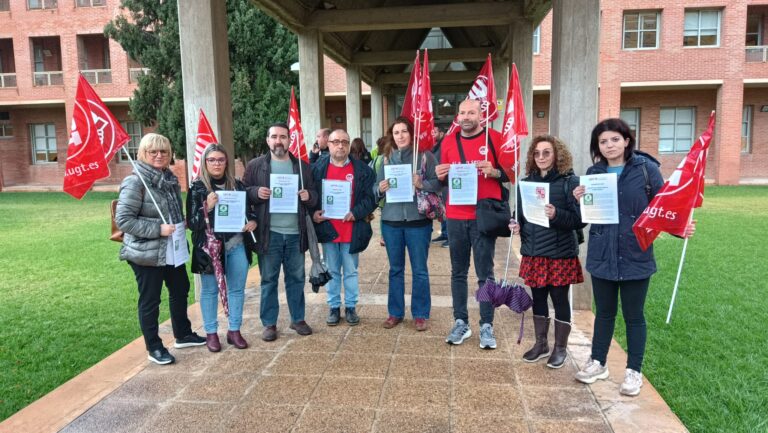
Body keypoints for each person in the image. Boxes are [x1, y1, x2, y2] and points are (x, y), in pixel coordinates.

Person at [572, 118, 696, 396]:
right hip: (602, 253)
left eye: (615, 139)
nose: (609, 145)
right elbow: (584, 220)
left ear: (627, 140)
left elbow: (664, 208)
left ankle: (633, 371)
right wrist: (579, 201)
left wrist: (681, 227)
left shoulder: (646, 170)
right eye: (603, 141)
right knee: (604, 314)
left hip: (635, 253)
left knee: (634, 316)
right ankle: (598, 362)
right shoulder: (594, 172)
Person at [115, 133, 205, 365]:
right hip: (147, 254)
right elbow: (124, 220)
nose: (158, 155)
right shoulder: (135, 182)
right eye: (152, 152)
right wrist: (158, 229)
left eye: (163, 151)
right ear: (143, 154)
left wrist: (180, 221)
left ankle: (183, 334)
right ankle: (154, 347)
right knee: (150, 300)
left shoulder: (169, 179)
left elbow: (169, 212)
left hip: (172, 251)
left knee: (180, 289)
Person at [435, 99, 509, 349]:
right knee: (457, 272)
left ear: (481, 115)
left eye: (471, 112)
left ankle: (487, 325)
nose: (466, 117)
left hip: (483, 216)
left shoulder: (495, 139)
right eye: (462, 112)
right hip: (455, 216)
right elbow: (442, 181)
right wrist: (440, 176)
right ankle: (460, 322)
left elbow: (511, 172)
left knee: (485, 274)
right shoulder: (448, 141)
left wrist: (496, 171)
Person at [509, 135, 585, 368]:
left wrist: (557, 215)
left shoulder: (570, 182)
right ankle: (541, 344)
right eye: (537, 153)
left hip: (560, 253)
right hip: (534, 251)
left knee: (560, 299)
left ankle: (560, 348)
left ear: (557, 155)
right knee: (539, 298)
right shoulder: (526, 183)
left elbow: (581, 220)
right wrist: (515, 224)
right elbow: (520, 214)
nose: (541, 157)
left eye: (546, 153)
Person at [243, 122, 318, 342]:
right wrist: (256, 192)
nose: (278, 141)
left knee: (296, 278)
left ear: (289, 140)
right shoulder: (256, 166)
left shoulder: (302, 167)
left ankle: (298, 318)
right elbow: (244, 192)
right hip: (270, 233)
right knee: (269, 279)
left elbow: (314, 194)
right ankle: (269, 323)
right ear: (267, 140)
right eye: (274, 137)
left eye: (283, 137)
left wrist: (309, 197)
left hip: (296, 232)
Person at [186, 144, 257, 352]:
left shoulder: (237, 185)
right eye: (212, 160)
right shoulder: (197, 187)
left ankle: (234, 330)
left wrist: (252, 221)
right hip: (210, 249)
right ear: (205, 163)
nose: (216, 164)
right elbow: (192, 222)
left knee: (236, 289)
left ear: (226, 162)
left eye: (220, 160)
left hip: (236, 244)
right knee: (209, 291)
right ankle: (211, 333)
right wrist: (206, 207)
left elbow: (248, 212)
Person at [375, 117, 441, 331]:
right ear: (391, 136)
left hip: (418, 222)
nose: (401, 136)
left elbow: (439, 184)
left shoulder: (424, 157)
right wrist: (380, 188)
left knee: (420, 269)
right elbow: (374, 188)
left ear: (411, 134)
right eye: (396, 132)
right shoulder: (384, 159)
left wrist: (422, 183)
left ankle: (420, 314)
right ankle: (395, 312)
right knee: (395, 269)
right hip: (391, 221)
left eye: (404, 131)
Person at [311, 129, 377, 326]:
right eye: (336, 142)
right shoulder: (317, 169)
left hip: (351, 229)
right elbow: (312, 196)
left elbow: (371, 198)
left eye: (344, 142)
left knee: (350, 271)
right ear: (328, 144)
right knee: (332, 270)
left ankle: (350, 307)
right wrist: (314, 212)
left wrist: (356, 212)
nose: (340, 145)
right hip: (329, 230)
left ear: (349, 145)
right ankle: (333, 307)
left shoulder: (363, 170)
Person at [430, 126, 449, 247]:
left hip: (445, 181)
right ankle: (444, 233)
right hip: (437, 180)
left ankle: (450, 236)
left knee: (446, 209)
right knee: (442, 210)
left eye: (435, 132)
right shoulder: (434, 146)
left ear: (441, 133)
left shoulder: (444, 145)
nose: (433, 134)